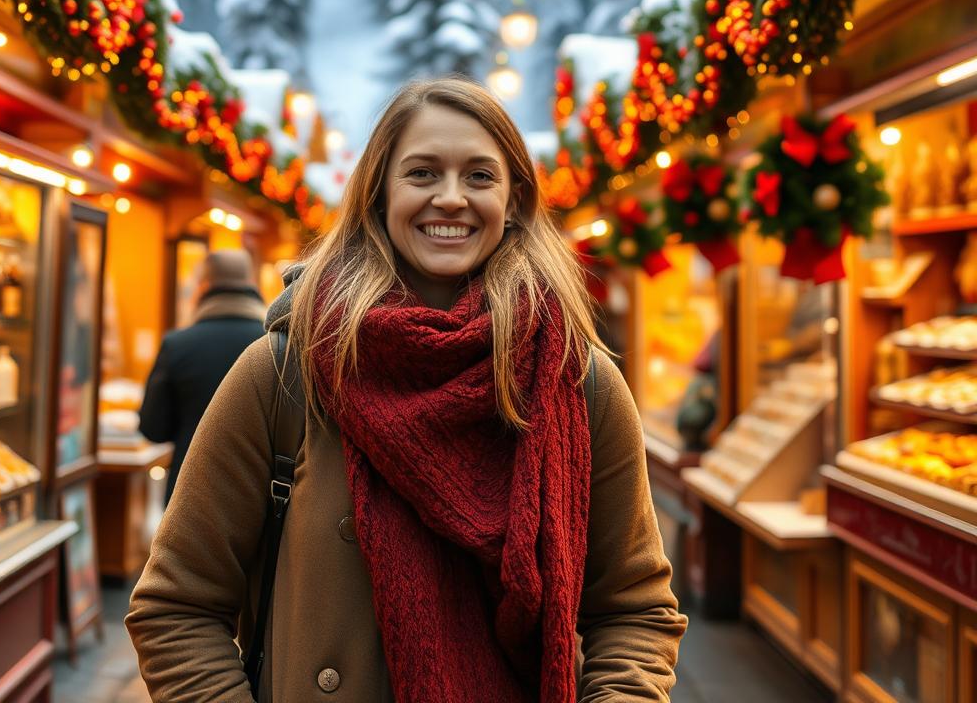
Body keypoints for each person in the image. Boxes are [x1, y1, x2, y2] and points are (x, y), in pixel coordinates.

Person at [127, 77, 687, 702]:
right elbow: (175, 606)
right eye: (422, 173)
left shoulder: (575, 383)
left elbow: (633, 610)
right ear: (378, 194)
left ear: (514, 201)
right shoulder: (288, 374)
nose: (451, 198)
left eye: (480, 176)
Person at [137, 248, 266, 505]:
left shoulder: (178, 344)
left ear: (204, 286)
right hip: (260, 495)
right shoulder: (274, 343)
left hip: (190, 493)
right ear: (251, 285)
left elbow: (153, 428)